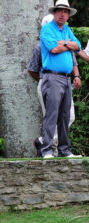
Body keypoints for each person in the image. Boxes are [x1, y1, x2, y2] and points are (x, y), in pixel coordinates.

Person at [28, 14, 81, 157]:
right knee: (51, 115)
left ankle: (57, 147)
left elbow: (75, 51)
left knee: (67, 116)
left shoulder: (66, 33)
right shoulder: (40, 45)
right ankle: (47, 148)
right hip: (49, 80)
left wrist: (76, 75)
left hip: (65, 79)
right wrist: (44, 79)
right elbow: (32, 68)